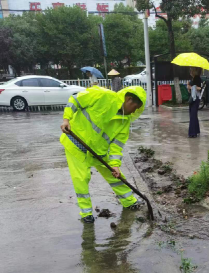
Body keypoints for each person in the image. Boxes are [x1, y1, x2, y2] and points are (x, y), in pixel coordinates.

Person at [60, 85, 146, 223]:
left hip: (98, 151)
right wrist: (66, 119)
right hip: (76, 144)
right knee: (81, 179)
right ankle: (86, 213)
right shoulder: (102, 95)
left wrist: (115, 165)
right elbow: (75, 100)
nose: (134, 112)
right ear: (129, 99)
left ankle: (129, 201)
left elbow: (116, 146)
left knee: (115, 175)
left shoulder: (125, 121)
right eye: (135, 108)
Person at [187, 67, 202, 138]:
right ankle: (196, 130)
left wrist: (190, 87)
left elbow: (199, 88)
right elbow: (190, 90)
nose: (190, 72)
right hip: (193, 98)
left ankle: (192, 133)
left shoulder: (197, 78)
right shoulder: (193, 79)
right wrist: (189, 87)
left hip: (195, 99)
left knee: (193, 115)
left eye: (191, 70)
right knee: (193, 115)